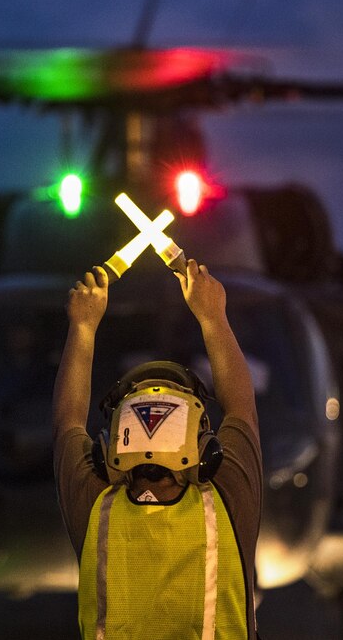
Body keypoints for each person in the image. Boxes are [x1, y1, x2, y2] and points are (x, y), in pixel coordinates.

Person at [53, 260, 262, 640]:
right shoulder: (228, 499)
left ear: (115, 443)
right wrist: (213, 316)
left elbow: (67, 422)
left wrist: (82, 326)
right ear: (204, 448)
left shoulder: (96, 506)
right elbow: (242, 408)